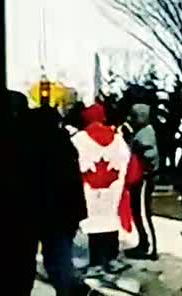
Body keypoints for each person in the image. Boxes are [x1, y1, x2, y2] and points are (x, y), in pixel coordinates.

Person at [23, 104, 88, 295]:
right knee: (59, 261)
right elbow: (73, 182)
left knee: (26, 262)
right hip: (62, 213)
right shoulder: (63, 144)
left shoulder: (24, 144)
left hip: (32, 211)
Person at [71, 103, 131, 276]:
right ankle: (111, 258)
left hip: (89, 187)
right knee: (110, 219)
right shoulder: (118, 139)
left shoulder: (79, 139)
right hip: (112, 187)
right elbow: (125, 159)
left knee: (94, 222)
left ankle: (96, 261)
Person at [124, 103, 160, 259]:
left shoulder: (145, 134)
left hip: (144, 177)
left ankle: (149, 246)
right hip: (143, 176)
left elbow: (150, 155)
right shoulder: (142, 132)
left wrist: (147, 170)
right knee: (138, 211)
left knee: (143, 213)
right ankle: (144, 242)